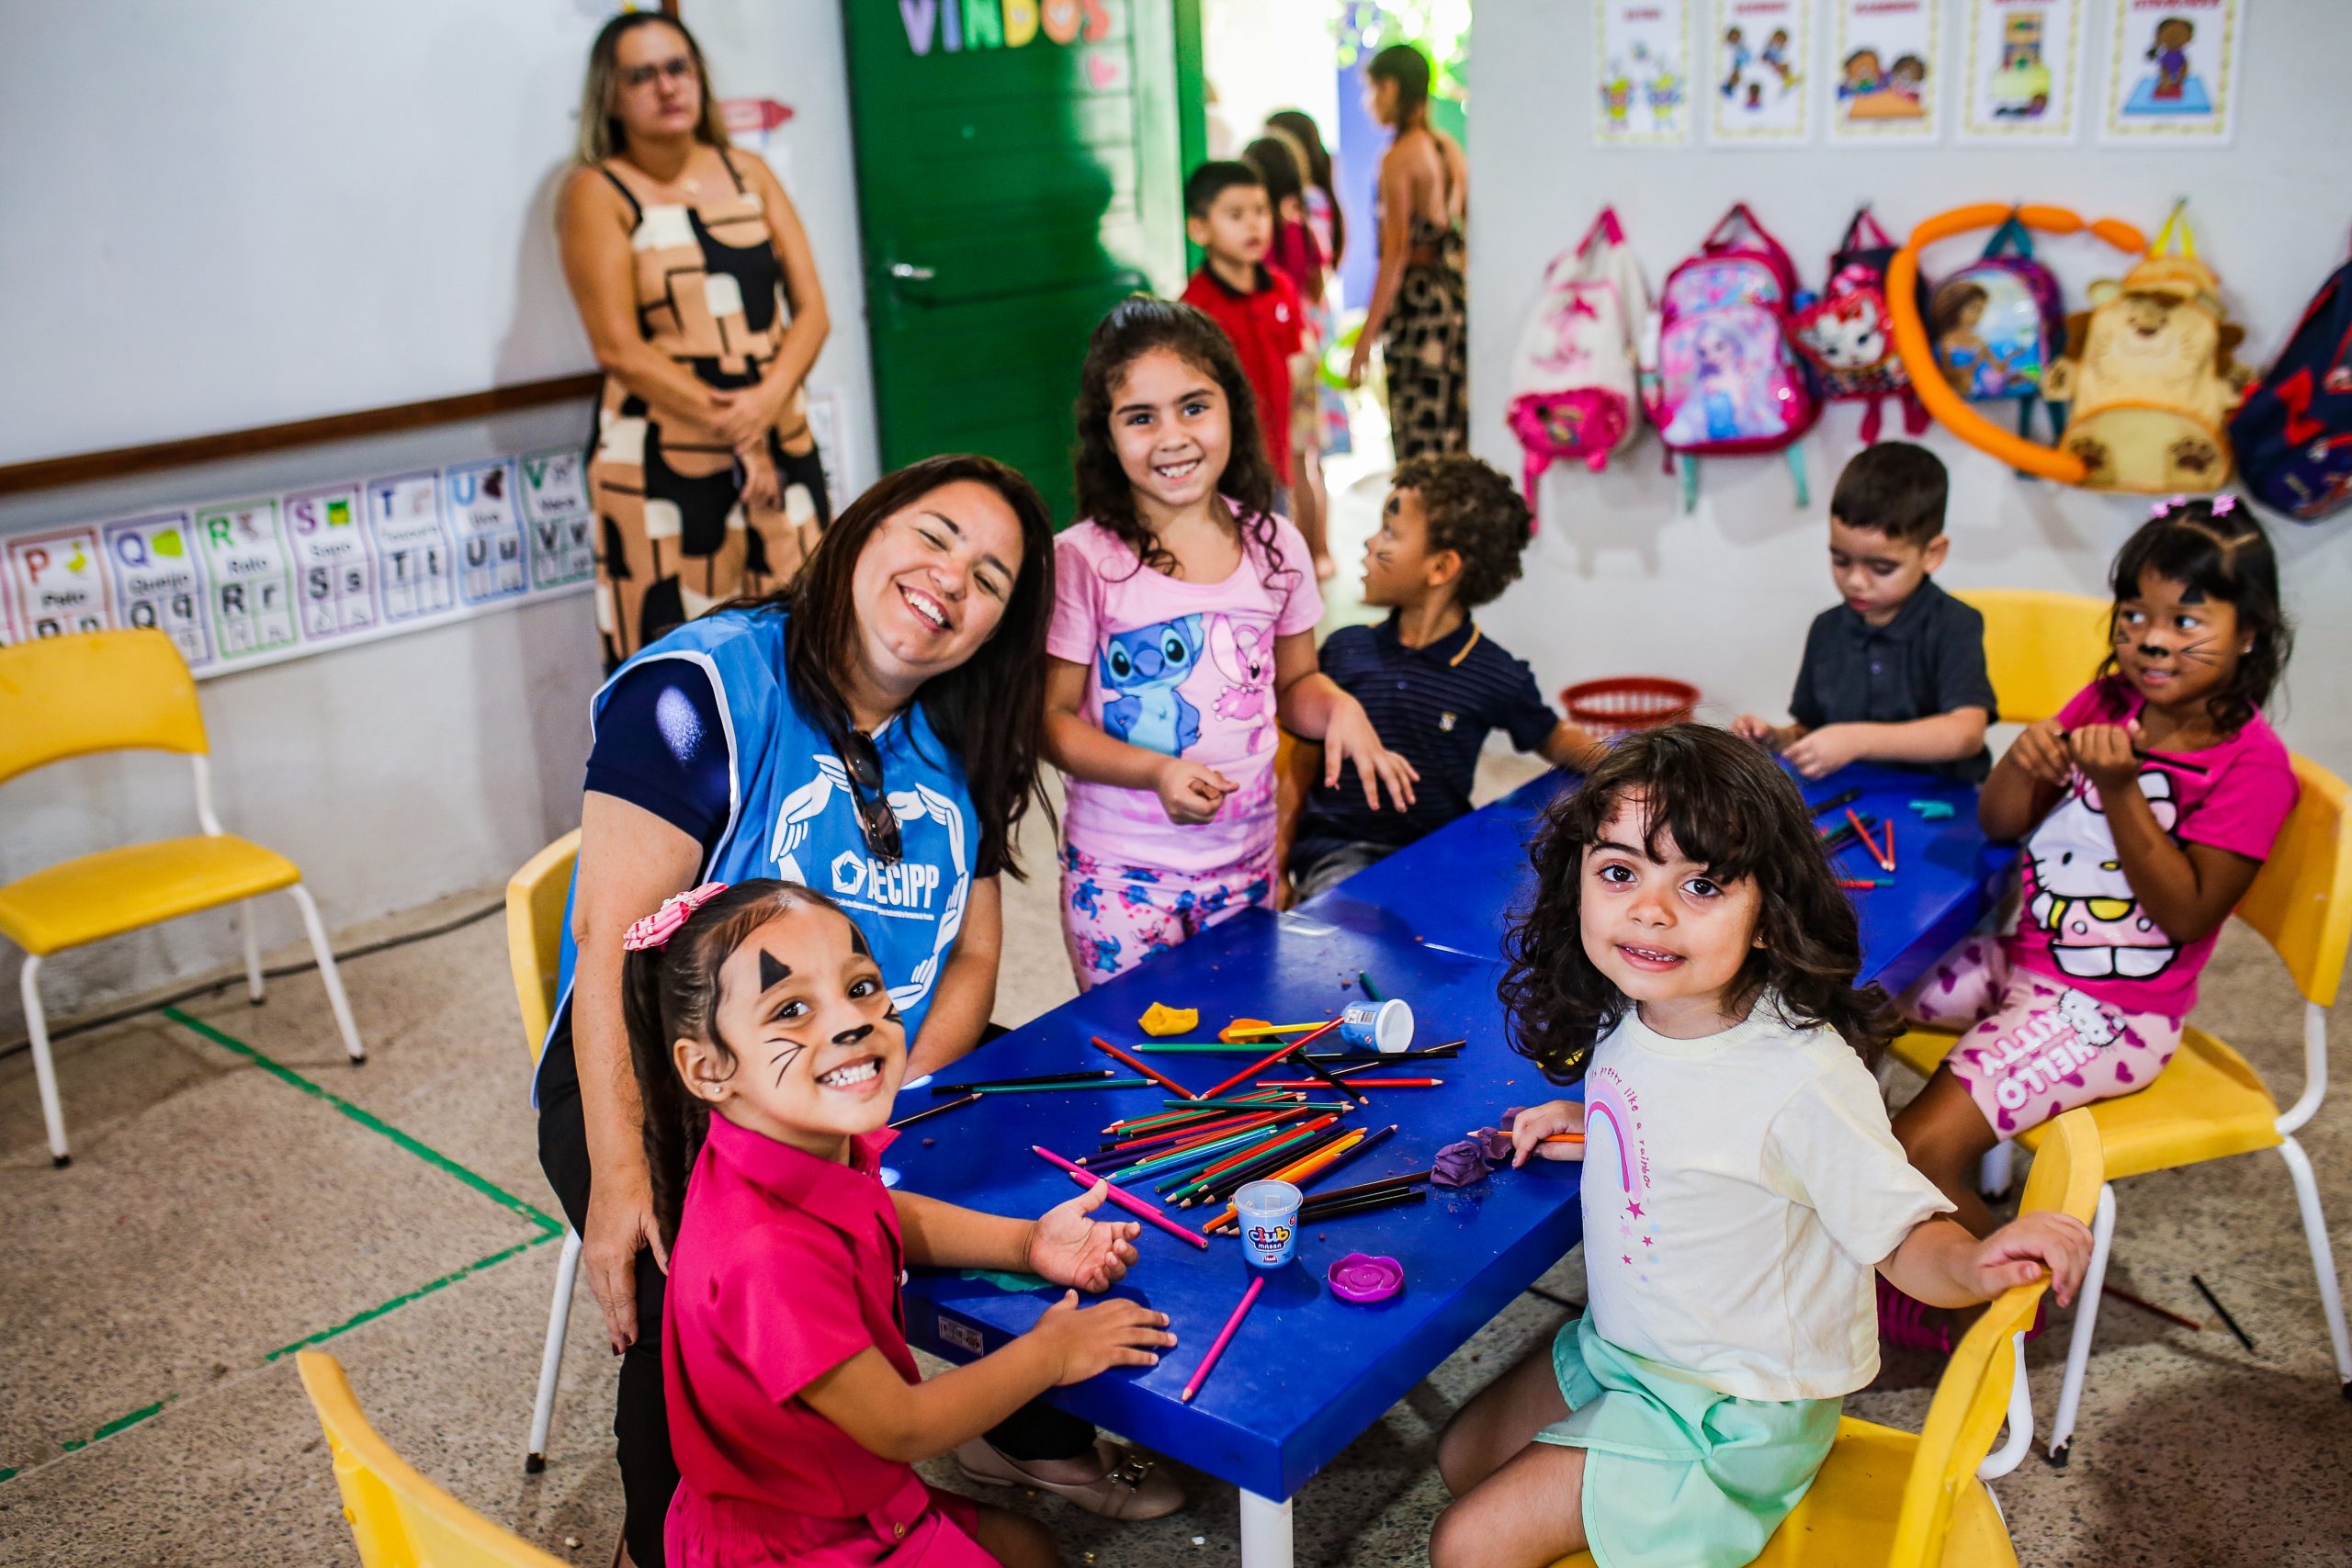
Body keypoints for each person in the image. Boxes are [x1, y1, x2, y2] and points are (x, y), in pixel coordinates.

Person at [537, 457, 1175, 1568]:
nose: (950, 582)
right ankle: (666, 1535)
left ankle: (1019, 1429)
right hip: (672, 1080)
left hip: (858, 1062)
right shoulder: (700, 694)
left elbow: (974, 949)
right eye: (931, 536)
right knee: (686, 1269)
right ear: (860, 530)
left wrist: (899, 1108)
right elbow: (606, 950)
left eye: (989, 577)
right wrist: (623, 1176)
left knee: (1044, 1143)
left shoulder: (959, 729)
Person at [1430, 726, 2093, 1568]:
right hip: (1634, 1348)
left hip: (1731, 1408)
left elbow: (1902, 1236)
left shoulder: (1802, 1082)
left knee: (1469, 1544)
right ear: (1579, 883)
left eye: (1701, 883)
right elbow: (1687, 1108)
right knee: (1462, 1459)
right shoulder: (1643, 1000)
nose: (1650, 909)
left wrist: (1977, 1264)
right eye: (1620, 871)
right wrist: (1594, 1120)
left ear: (1773, 913)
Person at [622, 879, 1178, 1568]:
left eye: (860, 987)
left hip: (844, 1495)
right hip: (797, 1542)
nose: (850, 1022)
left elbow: (878, 1211)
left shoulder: (783, 1135)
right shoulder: (765, 1253)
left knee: (1031, 1548)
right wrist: (1051, 1353)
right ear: (708, 1068)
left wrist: (1026, 1241)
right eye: (792, 1008)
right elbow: (902, 1425)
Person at [1890, 497, 2295, 1269]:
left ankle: (2001, 1306)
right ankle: (1861, 1231)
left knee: (1916, 1148)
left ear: (2248, 632)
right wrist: (2024, 761)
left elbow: (2186, 913)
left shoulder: (2253, 767)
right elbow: (2003, 822)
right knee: (1837, 998)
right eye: (2134, 613)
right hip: (2024, 961)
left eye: (2186, 620)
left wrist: (2118, 786)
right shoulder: (2112, 699)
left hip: (2110, 1012)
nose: (2150, 640)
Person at [1047, 298, 1416, 986]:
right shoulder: (1082, 560)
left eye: (1194, 406)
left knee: (1236, 1042)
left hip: (1245, 860)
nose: (1172, 436)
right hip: (1123, 873)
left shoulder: (1276, 545)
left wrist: (1338, 708)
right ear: (1107, 434)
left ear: (1232, 409)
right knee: (1136, 1058)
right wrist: (1156, 772)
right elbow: (1051, 724)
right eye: (1140, 417)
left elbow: (1296, 684)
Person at [559, 12, 832, 671]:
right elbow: (619, 348)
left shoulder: (749, 174)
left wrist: (762, 409)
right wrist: (740, 426)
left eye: (679, 67)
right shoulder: (598, 191)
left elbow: (814, 313)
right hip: (662, 458)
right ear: (612, 95)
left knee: (807, 634)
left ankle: (797, 776)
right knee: (679, 662)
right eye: (642, 75)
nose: (667, 86)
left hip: (779, 433)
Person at [1284, 456, 1605, 901]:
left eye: (1389, 532)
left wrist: (1623, 765)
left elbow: (1553, 737)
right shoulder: (1344, 648)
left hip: (1438, 850)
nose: (1368, 542)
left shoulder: (1494, 672)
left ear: (1440, 568)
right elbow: (1301, 762)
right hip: (1340, 850)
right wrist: (1278, 859)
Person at [1734, 443, 1997, 781]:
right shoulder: (1827, 628)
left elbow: (1965, 735)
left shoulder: (1954, 624)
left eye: (1882, 567)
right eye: (1840, 560)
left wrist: (1856, 740)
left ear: (1933, 554)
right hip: (1849, 797)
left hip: (1942, 803)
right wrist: (1775, 738)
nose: (1856, 581)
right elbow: (1810, 729)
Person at [1349, 43, 1469, 460]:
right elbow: (1468, 231)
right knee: (1453, 435)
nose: (1369, 102)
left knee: (1419, 443)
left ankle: (1424, 525)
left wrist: (1364, 344)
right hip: (1452, 305)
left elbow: (1395, 255)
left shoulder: (1398, 159)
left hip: (1418, 314)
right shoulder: (1446, 148)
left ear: (1392, 87)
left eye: (1372, 90)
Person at [1179, 162, 1308, 491]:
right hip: (1227, 471)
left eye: (1261, 211)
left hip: (1277, 457)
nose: (1254, 225)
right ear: (1199, 229)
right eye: (1236, 215)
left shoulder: (1281, 289)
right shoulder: (1195, 309)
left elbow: (1293, 366)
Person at [1240, 134, 1335, 580]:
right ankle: (1319, 552)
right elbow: (1317, 284)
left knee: (1282, 466)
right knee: (1306, 462)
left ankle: (1289, 561)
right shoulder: (1301, 230)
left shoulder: (1264, 246)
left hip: (1282, 359)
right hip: (1305, 351)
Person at [1266, 109, 1354, 467]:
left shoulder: (1299, 209)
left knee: (1301, 455)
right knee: (1309, 457)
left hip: (1299, 330)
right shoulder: (1316, 201)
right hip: (1313, 324)